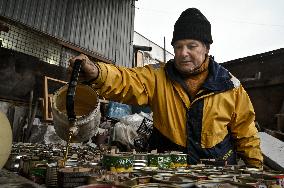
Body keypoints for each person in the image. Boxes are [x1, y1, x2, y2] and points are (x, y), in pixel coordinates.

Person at [69, 8, 263, 168]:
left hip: (216, 174)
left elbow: (246, 132)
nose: (183, 53)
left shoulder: (230, 86)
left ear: (206, 48)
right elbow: (126, 80)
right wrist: (97, 72)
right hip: (167, 170)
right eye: (178, 46)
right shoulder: (157, 77)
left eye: (191, 46)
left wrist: (256, 170)